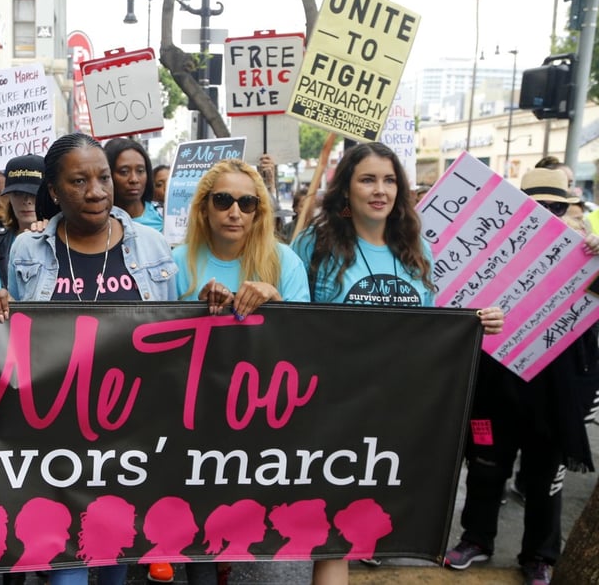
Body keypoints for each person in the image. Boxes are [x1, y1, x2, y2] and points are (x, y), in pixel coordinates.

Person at [291, 142, 504, 585]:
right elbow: (293, 322)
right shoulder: (316, 243)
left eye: (389, 180)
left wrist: (475, 322)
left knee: (358, 527)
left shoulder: (413, 247)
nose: (380, 190)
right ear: (345, 189)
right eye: (367, 179)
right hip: (332, 410)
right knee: (332, 534)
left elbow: (429, 329)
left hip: (394, 414)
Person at [0, 133, 178, 585]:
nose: (96, 191)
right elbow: (16, 332)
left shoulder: (151, 247)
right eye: (79, 181)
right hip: (53, 440)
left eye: (103, 177)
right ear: (53, 191)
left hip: (127, 440)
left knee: (112, 566)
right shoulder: (28, 250)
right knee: (64, 573)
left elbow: (174, 337)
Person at [444, 167, 599, 585]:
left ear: (568, 210)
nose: (546, 213)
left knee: (545, 475)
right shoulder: (493, 248)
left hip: (554, 389)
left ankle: (539, 555)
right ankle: (476, 539)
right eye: (537, 206)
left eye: (555, 207)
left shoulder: (586, 255)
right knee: (485, 466)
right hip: (495, 385)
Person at [172, 158, 309, 585]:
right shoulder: (176, 261)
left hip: (261, 412)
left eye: (247, 202)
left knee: (240, 516)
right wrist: (196, 305)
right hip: (193, 413)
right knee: (199, 520)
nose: (235, 211)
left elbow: (311, 341)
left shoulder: (283, 262)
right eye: (224, 200)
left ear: (259, 211)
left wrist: (276, 301)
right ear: (204, 208)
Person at [0, 155, 45, 288]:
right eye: (18, 193)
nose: (26, 201)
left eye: (34, 193)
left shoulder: (62, 239)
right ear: (8, 196)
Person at [104, 138, 163, 232]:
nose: (134, 179)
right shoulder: (99, 223)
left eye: (140, 171)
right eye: (124, 172)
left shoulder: (163, 216)